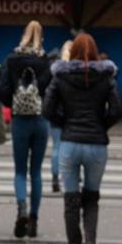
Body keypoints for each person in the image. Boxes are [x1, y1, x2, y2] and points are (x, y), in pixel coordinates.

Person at [43, 34, 122, 244]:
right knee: (91, 198)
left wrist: (64, 123)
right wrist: (101, 125)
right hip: (97, 145)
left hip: (69, 143)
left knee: (71, 202)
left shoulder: (60, 76)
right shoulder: (106, 77)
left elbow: (47, 108)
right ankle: (91, 243)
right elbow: (117, 109)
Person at [0, 21, 54, 238]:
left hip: (20, 119)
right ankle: (33, 219)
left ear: (23, 35)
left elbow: (2, 89)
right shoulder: (45, 61)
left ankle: (21, 207)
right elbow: (52, 90)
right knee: (36, 172)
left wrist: (12, 103)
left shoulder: (12, 59)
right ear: (41, 37)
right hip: (40, 119)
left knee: (20, 171)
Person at [48, 40, 72, 193]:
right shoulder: (81, 70)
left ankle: (55, 178)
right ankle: (73, 178)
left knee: (57, 148)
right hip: (74, 116)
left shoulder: (55, 72)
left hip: (57, 115)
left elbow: (49, 97)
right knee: (73, 148)